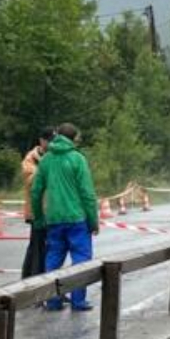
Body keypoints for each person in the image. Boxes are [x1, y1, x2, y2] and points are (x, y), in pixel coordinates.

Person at [31, 123, 100, 312]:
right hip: (77, 218)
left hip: (53, 218)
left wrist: (38, 217)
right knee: (81, 259)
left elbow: (36, 191)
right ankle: (78, 301)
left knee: (53, 258)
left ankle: (53, 300)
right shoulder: (77, 159)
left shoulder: (46, 160)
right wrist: (93, 221)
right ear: (74, 138)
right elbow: (87, 193)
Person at [20, 128, 55, 279]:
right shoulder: (31, 159)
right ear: (42, 141)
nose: (52, 144)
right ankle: (32, 280)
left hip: (53, 211)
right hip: (36, 211)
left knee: (50, 248)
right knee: (37, 247)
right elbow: (30, 181)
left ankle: (37, 279)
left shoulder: (54, 157)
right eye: (50, 140)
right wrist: (45, 168)